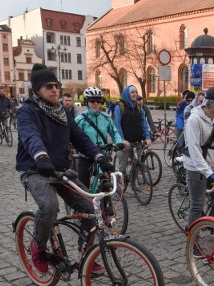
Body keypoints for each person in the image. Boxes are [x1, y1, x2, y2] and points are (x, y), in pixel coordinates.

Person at [16, 64, 115, 274]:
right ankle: (38, 245)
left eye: (56, 85)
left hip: (60, 170)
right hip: (35, 169)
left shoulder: (63, 112)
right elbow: (30, 136)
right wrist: (41, 157)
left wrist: (99, 157)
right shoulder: (27, 112)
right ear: (37, 90)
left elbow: (79, 138)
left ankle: (86, 255)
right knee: (50, 206)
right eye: (48, 86)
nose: (54, 90)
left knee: (90, 208)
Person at [184, 87, 214, 231]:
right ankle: (193, 240)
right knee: (197, 205)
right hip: (196, 167)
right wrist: (209, 174)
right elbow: (194, 151)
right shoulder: (194, 120)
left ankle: (213, 225)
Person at [74, 87, 125, 188]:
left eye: (99, 101)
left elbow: (114, 132)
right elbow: (74, 137)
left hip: (102, 155)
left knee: (105, 185)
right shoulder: (80, 120)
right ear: (86, 102)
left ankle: (105, 201)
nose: (96, 103)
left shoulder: (106, 117)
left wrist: (119, 142)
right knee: (83, 188)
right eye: (92, 101)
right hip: (86, 156)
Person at [113, 85, 151, 176]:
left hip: (137, 141)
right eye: (132, 92)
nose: (135, 94)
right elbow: (117, 126)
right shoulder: (120, 107)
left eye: (136, 92)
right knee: (122, 168)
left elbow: (144, 123)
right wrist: (122, 140)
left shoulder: (138, 107)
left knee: (137, 165)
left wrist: (147, 137)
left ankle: (134, 184)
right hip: (125, 142)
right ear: (127, 94)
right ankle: (119, 187)